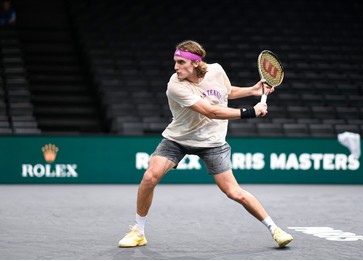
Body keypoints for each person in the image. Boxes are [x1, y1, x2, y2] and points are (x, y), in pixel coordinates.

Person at [119, 40, 293, 248]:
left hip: (212, 142)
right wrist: (250, 112)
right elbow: (212, 111)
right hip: (178, 139)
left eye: (181, 62)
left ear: (195, 63)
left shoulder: (216, 71)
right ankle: (138, 231)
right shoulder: (175, 85)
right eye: (175, 62)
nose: (175, 67)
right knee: (149, 177)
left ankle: (275, 229)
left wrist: (252, 90)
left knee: (234, 192)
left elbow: (225, 93)